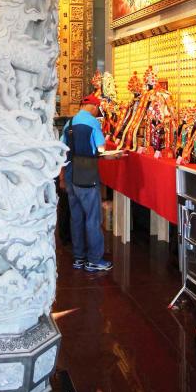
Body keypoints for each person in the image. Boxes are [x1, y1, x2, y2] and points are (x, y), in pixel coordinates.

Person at [61, 94, 112, 273]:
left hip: (70, 174)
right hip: (86, 174)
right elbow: (101, 148)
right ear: (93, 107)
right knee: (92, 217)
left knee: (76, 217)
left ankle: (79, 257)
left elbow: (62, 151)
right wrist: (109, 153)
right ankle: (94, 260)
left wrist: (62, 177)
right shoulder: (92, 123)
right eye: (98, 109)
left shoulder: (69, 123)